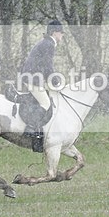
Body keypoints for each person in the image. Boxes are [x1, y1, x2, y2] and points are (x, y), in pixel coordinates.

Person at [18, 20, 65, 151]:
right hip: (33, 78)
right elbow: (48, 65)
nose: (62, 36)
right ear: (55, 33)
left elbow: (45, 66)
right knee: (45, 103)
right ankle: (31, 128)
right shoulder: (49, 44)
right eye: (61, 33)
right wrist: (55, 81)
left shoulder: (46, 43)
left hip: (35, 76)